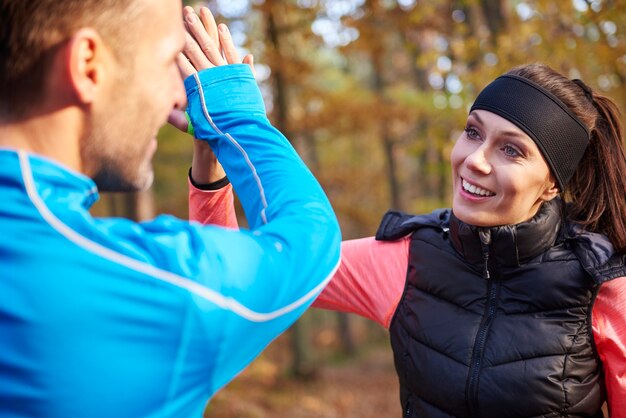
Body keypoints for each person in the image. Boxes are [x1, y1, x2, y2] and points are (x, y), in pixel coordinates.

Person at [191, 63, 626, 417]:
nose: (475, 160)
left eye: (510, 150)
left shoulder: (601, 280)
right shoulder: (406, 257)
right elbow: (242, 274)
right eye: (473, 132)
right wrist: (212, 160)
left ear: (552, 184)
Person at [0, 1, 341, 417]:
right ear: (88, 66)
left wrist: (211, 168)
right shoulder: (139, 287)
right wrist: (235, 115)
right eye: (165, 62)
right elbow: (309, 241)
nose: (179, 94)